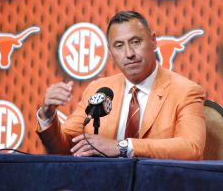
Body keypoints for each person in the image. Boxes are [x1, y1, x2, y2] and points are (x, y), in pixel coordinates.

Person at [36, 11, 206, 160]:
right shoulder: (99, 89)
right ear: (111, 52)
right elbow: (65, 149)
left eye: (135, 42)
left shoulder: (185, 91)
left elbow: (191, 148)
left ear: (153, 41)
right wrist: (48, 114)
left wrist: (123, 147)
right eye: (119, 46)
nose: (129, 54)